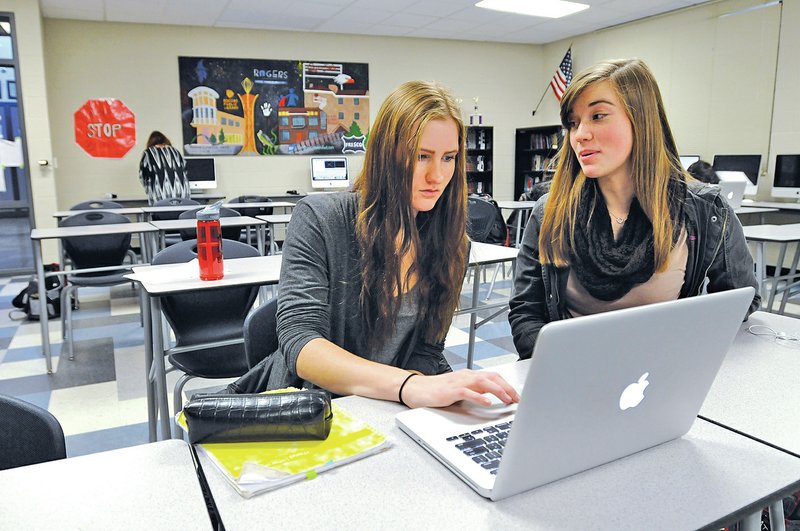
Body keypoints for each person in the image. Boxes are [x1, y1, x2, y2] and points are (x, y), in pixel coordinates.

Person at [227, 80, 519, 409]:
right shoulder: (319, 219)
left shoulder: (451, 245)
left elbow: (426, 352)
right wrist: (407, 386)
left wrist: (437, 399)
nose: (437, 175)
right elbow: (301, 345)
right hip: (311, 407)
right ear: (386, 154)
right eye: (422, 156)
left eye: (448, 157)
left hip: (387, 407)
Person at [508, 59, 760, 359]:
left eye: (598, 116)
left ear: (641, 120)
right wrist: (567, 367)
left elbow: (740, 301)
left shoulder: (706, 210)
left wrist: (680, 352)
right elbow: (526, 312)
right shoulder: (549, 211)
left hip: (658, 374)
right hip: (570, 374)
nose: (580, 135)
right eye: (573, 123)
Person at [138, 131, 191, 205]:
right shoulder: (175, 151)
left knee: (161, 214)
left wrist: (148, 189)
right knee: (181, 215)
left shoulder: (148, 153)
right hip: (183, 197)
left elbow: (143, 177)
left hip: (160, 197)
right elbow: (185, 171)